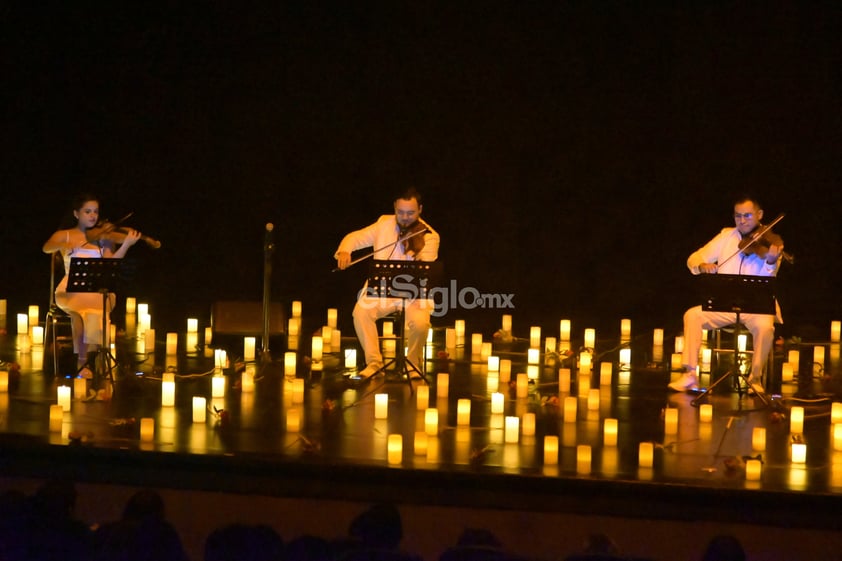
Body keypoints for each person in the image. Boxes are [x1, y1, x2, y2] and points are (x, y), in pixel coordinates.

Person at [669, 195, 784, 393]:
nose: (742, 220)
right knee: (692, 315)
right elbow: (693, 258)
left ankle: (755, 379)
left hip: (756, 308)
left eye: (747, 215)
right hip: (724, 304)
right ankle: (689, 375)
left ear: (759, 215)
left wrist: (772, 260)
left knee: (766, 327)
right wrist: (701, 265)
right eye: (738, 216)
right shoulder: (726, 237)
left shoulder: (770, 242)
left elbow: (769, 277)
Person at [334, 187, 440, 380]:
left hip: (412, 295)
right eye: (400, 212)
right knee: (360, 313)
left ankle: (413, 364)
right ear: (394, 208)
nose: (405, 217)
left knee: (421, 324)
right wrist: (345, 251)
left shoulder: (430, 236)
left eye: (410, 213)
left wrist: (415, 248)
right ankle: (374, 363)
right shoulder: (384, 223)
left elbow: (424, 272)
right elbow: (356, 237)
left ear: (420, 210)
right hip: (381, 290)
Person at [42, 193, 141, 389]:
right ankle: (84, 360)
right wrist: (68, 245)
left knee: (98, 307)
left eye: (95, 211)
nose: (93, 216)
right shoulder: (67, 235)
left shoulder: (103, 238)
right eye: (87, 211)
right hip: (70, 288)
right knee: (82, 309)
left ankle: (91, 358)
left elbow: (111, 262)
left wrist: (127, 245)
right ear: (76, 214)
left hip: (97, 287)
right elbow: (46, 248)